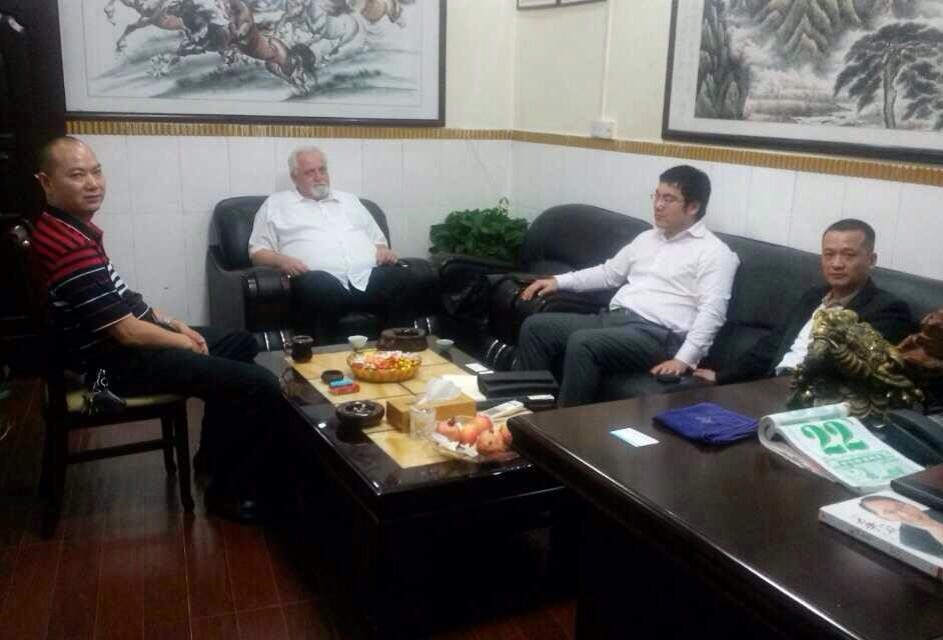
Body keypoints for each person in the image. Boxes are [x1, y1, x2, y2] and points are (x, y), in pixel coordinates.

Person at [31, 136, 283, 523]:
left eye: (96, 172)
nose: (93, 183)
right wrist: (182, 341)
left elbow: (123, 298)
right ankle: (229, 495)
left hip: (116, 351)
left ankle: (212, 458)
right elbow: (127, 332)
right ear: (46, 183)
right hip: (108, 368)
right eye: (77, 175)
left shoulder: (71, 229)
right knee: (260, 384)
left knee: (238, 341)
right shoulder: (68, 246)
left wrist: (173, 323)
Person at [514, 165, 740, 407]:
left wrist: (684, 359)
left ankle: (560, 426)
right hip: (613, 320)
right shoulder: (647, 238)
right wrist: (558, 281)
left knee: (584, 343)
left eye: (668, 199)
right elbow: (608, 274)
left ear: (693, 207)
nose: (658, 205)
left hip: (656, 337)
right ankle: (524, 413)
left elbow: (712, 313)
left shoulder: (715, 254)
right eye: (657, 196)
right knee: (536, 327)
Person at [694, 219, 913, 386]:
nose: (837, 264)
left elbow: (849, 373)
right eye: (829, 254)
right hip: (770, 384)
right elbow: (771, 346)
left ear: (871, 260)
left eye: (848, 255)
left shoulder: (888, 310)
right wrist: (722, 377)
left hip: (812, 398)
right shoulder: (813, 297)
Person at [248, 145, 424, 342]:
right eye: (310, 172)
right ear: (294, 177)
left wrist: (383, 251)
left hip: (365, 278)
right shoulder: (276, 205)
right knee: (319, 287)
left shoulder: (350, 201)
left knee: (401, 279)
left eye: (322, 170)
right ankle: (326, 359)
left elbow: (378, 241)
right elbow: (257, 252)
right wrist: (282, 261)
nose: (318, 177)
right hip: (319, 282)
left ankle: (398, 352)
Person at [860, 495, 943, 558]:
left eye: (900, 506)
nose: (905, 514)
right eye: (890, 512)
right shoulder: (909, 540)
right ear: (883, 518)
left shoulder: (935, 504)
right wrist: (931, 526)